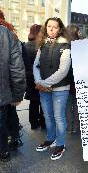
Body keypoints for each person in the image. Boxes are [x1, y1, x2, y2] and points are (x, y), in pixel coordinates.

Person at [33, 17, 71, 160]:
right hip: (44, 88)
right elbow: (36, 65)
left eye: (54, 27)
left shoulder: (66, 46)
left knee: (59, 117)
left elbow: (63, 71)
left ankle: (60, 145)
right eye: (49, 26)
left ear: (60, 29)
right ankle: (50, 139)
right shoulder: (43, 45)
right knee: (47, 116)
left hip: (60, 89)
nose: (51, 29)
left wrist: (43, 83)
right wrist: (38, 81)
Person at [0, 21, 26, 162]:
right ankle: (4, 151)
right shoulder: (7, 34)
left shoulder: (7, 35)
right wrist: (17, 93)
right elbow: (17, 67)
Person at [22, 24, 46, 130]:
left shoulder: (25, 46)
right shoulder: (41, 46)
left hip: (29, 78)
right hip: (40, 78)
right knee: (43, 102)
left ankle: (33, 124)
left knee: (33, 102)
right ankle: (43, 123)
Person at [65, 25, 80, 134]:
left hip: (66, 81)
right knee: (76, 105)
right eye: (78, 32)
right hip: (77, 80)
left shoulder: (63, 46)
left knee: (68, 105)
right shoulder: (80, 46)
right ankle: (76, 127)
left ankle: (69, 127)